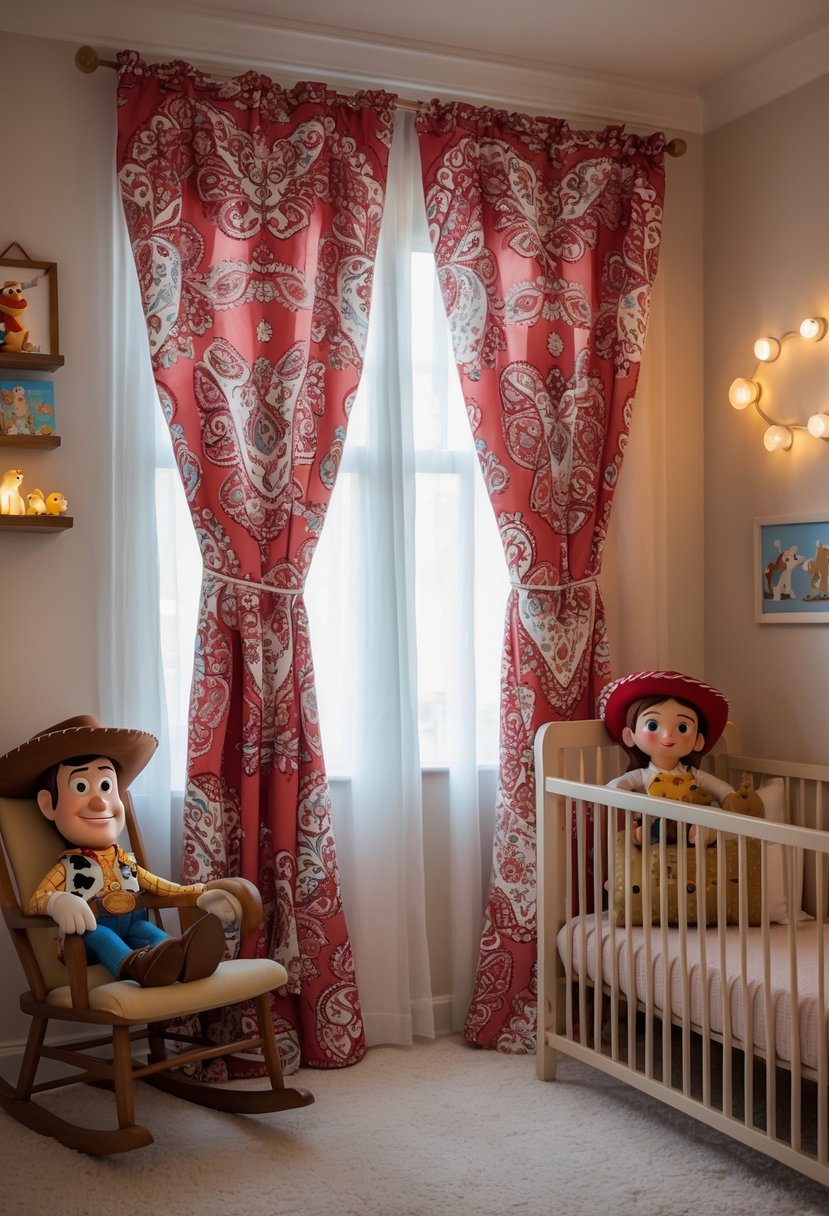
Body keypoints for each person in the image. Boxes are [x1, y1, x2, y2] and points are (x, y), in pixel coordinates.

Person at [0, 715, 242, 987]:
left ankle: (181, 959)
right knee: (100, 934)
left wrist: (198, 893)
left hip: (131, 926)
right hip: (84, 939)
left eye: (106, 786)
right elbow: (36, 901)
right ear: (48, 805)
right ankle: (135, 966)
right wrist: (58, 902)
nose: (100, 802)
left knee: (150, 932)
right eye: (81, 787)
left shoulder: (124, 860)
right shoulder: (68, 867)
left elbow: (158, 885)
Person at [598, 670, 737, 846]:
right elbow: (617, 787)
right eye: (653, 725)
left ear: (698, 741)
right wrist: (611, 795)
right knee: (653, 826)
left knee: (704, 823)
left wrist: (729, 797)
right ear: (629, 736)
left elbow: (720, 788)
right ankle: (641, 836)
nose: (667, 735)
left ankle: (701, 834)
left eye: (682, 728)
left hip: (687, 824)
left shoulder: (692, 775)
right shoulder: (642, 775)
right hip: (656, 824)